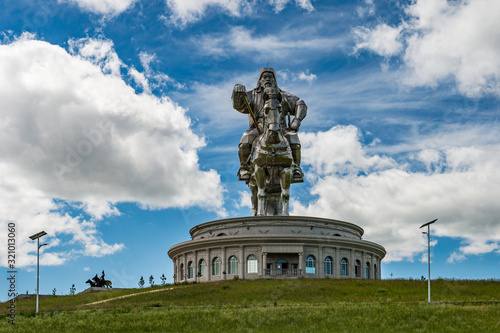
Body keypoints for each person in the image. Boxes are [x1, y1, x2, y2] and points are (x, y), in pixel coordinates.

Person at [232, 67, 307, 182]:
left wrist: (297, 120)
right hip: (261, 126)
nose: (267, 79)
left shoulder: (283, 95)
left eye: (270, 77)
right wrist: (237, 92)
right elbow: (239, 104)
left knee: (293, 137)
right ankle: (244, 168)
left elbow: (300, 103)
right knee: (246, 138)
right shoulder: (253, 94)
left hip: (281, 127)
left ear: (274, 79)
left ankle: (296, 168)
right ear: (260, 80)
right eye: (264, 77)